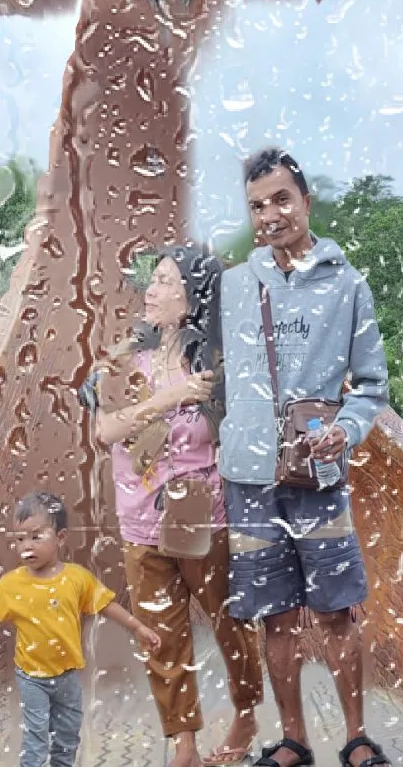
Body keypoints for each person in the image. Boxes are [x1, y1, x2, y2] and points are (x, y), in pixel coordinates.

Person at [219, 148, 391, 767]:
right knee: (275, 617)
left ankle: (356, 738)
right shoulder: (236, 285)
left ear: (305, 199)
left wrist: (345, 430)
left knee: (338, 609)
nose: (270, 214)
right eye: (258, 205)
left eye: (281, 199)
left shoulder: (348, 283)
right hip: (247, 480)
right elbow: (204, 363)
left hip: (317, 478)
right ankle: (295, 738)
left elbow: (372, 385)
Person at [90, 243, 263, 767]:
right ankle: (183, 741)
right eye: (154, 279)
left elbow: (241, 435)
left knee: (229, 622)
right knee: (162, 638)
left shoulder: (219, 363)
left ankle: (247, 714)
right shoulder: (124, 356)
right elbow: (106, 431)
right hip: (140, 522)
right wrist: (171, 397)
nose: (153, 290)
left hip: (204, 520)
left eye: (166, 281)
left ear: (192, 299)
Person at [0, 491, 160, 767]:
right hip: (31, 677)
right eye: (20, 538)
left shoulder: (76, 578)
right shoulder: (10, 585)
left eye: (36, 536)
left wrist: (137, 628)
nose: (27, 545)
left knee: (67, 737)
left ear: (60, 538)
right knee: (36, 739)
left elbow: (106, 604)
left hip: (67, 677)